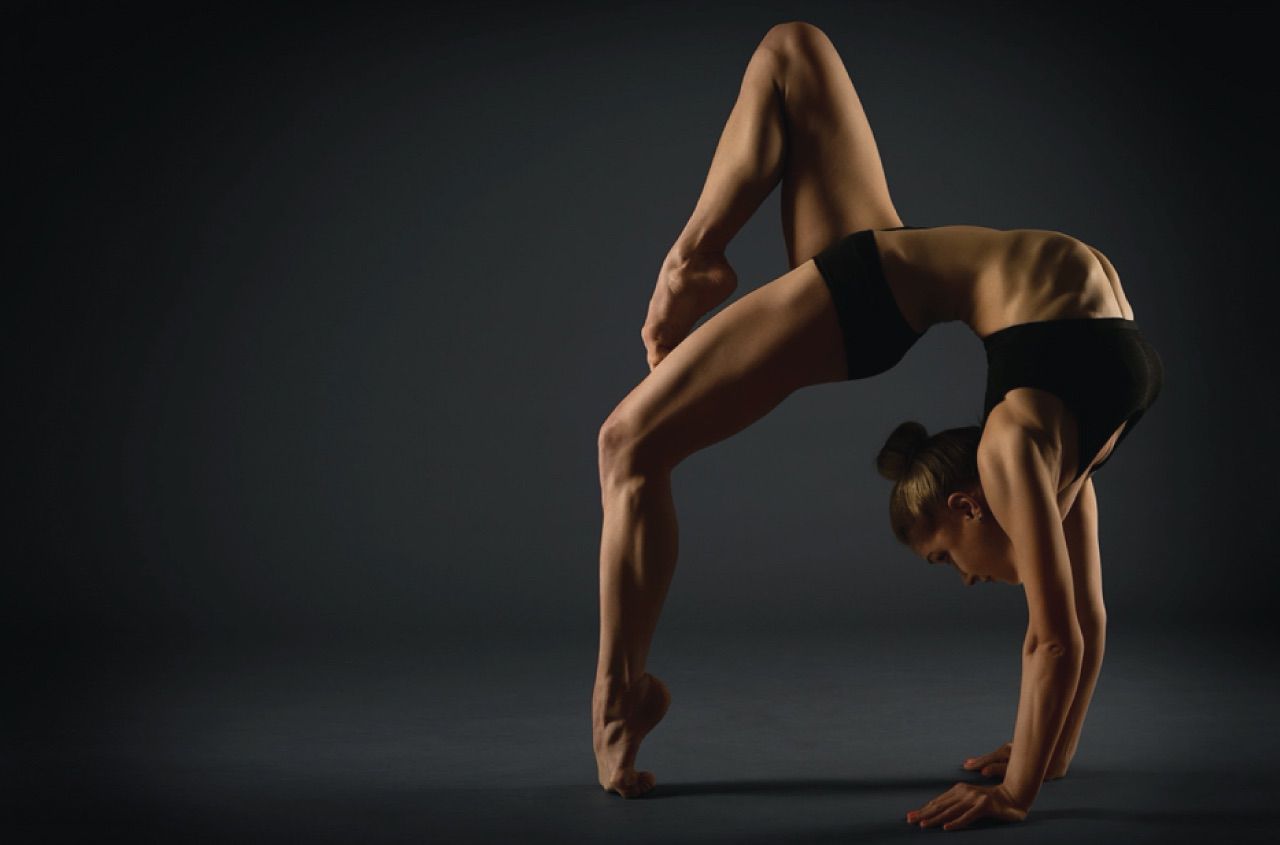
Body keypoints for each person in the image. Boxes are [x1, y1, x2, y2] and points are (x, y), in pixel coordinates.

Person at [592, 20, 1164, 831]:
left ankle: (697, 253)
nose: (964, 578)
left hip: (911, 281)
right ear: (968, 504)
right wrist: (1023, 785)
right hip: (886, 286)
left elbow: (1076, 625)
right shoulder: (1016, 445)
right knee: (627, 444)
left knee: (793, 53)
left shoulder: (1053, 441)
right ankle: (622, 698)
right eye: (947, 560)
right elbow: (1061, 638)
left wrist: (1037, 765)